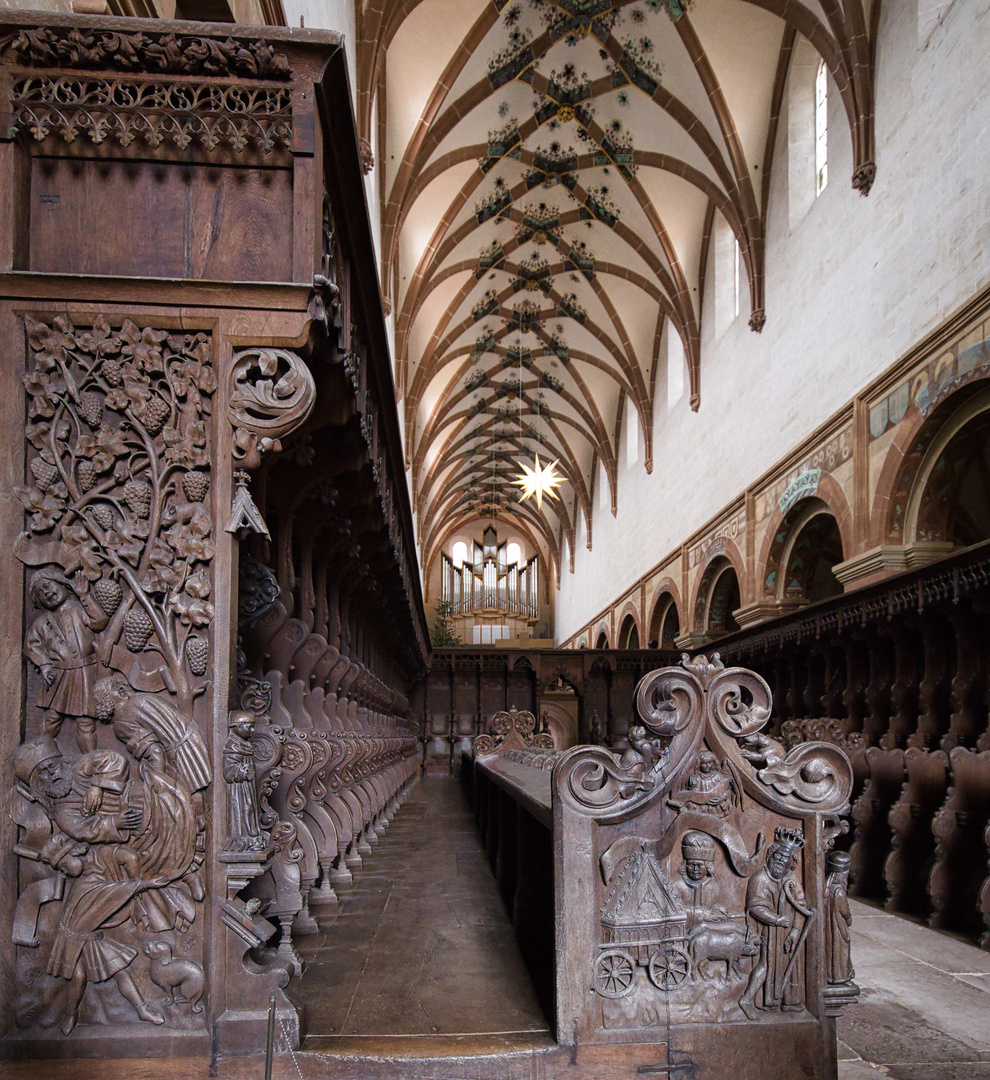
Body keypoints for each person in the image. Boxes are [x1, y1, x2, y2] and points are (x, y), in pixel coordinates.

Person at [13, 736, 168, 1035]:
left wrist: (98, 784)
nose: (53, 775)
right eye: (42, 775)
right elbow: (88, 830)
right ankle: (69, 1013)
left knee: (128, 859)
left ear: (63, 762)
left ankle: (137, 1007)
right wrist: (116, 824)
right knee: (81, 973)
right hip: (87, 890)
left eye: (53, 767)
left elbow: (116, 760)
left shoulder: (82, 768)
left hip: (104, 864)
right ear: (39, 787)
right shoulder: (62, 812)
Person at [24, 569, 108, 753]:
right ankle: (40, 755)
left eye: (48, 586)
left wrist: (84, 595)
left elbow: (100, 621)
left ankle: (90, 760)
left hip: (85, 674)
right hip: (60, 676)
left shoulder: (79, 609)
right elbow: (32, 645)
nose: (46, 593)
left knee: (85, 722)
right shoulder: (42, 622)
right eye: (41, 593)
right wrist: (45, 665)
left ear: (62, 584)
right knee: (52, 718)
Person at [738, 827, 812, 1019]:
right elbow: (755, 907)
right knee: (765, 966)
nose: (779, 862)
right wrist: (777, 920)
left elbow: (800, 907)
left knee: (791, 967)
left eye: (784, 859)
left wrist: (795, 931)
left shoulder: (792, 881)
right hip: (768, 933)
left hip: (786, 934)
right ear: (769, 856)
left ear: (791, 863)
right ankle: (747, 999)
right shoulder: (759, 879)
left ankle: (786, 1001)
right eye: (776, 857)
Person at [93, 674, 211, 793]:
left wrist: (156, 787)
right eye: (114, 687)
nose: (120, 687)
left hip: (182, 753)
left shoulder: (123, 718)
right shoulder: (136, 703)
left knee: (192, 798)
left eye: (118, 684)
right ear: (105, 699)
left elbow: (155, 752)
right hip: (193, 740)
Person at [222, 710, 268, 852]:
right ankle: (243, 839)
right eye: (249, 726)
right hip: (238, 790)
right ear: (236, 726)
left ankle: (252, 836)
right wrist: (243, 771)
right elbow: (228, 772)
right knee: (243, 811)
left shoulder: (244, 744)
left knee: (250, 808)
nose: (253, 730)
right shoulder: (232, 746)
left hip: (247, 787)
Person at [670, 831, 727, 928]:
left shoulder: (713, 887)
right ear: (685, 865)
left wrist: (717, 911)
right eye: (691, 865)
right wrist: (700, 915)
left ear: (708, 866)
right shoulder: (677, 886)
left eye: (700, 865)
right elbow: (673, 914)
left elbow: (710, 908)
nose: (695, 869)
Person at [824, 850, 854, 985]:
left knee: (831, 952)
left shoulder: (826, 888)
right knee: (840, 951)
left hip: (829, 927)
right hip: (838, 928)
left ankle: (830, 976)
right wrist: (849, 919)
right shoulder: (839, 892)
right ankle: (840, 978)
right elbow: (845, 912)